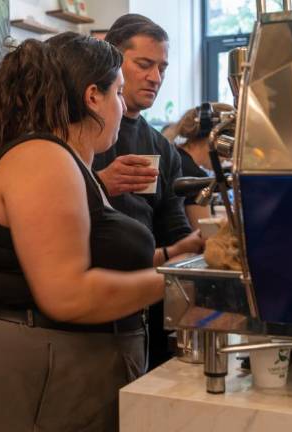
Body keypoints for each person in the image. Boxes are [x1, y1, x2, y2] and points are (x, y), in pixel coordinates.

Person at [0, 34, 162, 432]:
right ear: (92, 97)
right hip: (41, 364)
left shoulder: (69, 164)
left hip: (65, 361)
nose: (122, 105)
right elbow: (67, 294)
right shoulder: (43, 158)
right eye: (118, 92)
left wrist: (173, 259)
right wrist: (175, 283)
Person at [81, 14, 204, 369]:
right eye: (144, 65)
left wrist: (202, 243)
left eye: (162, 67)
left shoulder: (162, 149)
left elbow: (174, 226)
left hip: (144, 310)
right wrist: (100, 182)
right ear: (113, 63)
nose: (156, 77)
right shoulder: (80, 135)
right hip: (84, 314)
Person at [169, 103, 233, 230]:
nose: (229, 158)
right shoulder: (195, 177)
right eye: (229, 149)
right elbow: (204, 232)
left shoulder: (173, 154)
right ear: (217, 139)